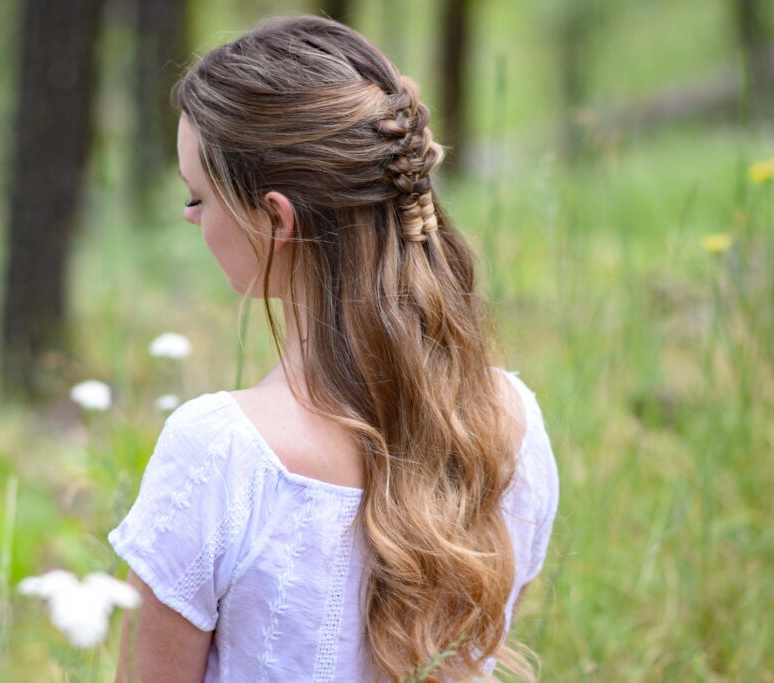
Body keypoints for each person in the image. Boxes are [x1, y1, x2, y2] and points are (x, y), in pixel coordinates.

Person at [109, 14, 559, 683]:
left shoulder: (220, 454)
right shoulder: (509, 425)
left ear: (275, 217)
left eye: (198, 195)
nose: (190, 216)